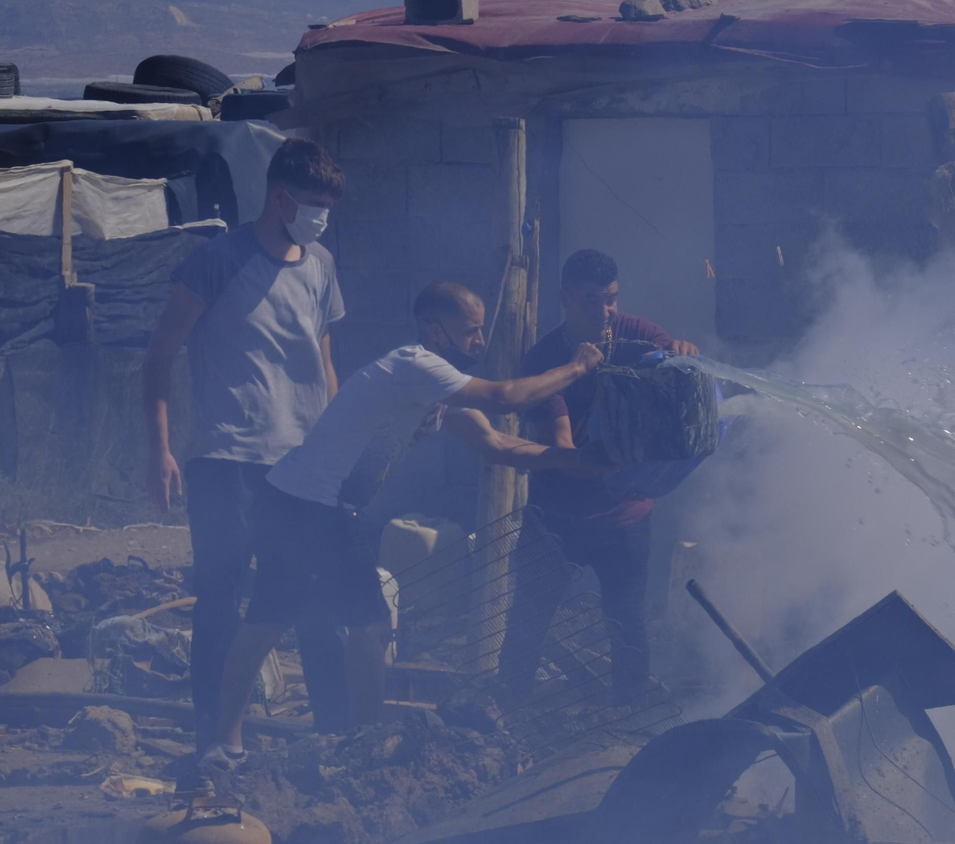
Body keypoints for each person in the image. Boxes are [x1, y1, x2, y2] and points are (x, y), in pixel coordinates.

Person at [200, 281, 606, 768]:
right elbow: (506, 397)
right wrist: (575, 368)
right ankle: (294, 743)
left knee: (347, 621)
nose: (480, 341)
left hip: (317, 505)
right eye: (471, 331)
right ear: (435, 330)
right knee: (290, 621)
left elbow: (497, 446)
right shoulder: (416, 365)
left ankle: (320, 741)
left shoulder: (439, 386)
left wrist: (574, 460)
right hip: (303, 503)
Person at [141, 137, 353, 742]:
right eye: (313, 204)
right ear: (280, 198)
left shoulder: (321, 265)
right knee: (222, 602)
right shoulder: (217, 260)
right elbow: (159, 356)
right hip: (227, 462)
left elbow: (324, 363)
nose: (321, 218)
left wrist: (337, 449)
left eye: (328, 207)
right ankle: (215, 741)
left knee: (317, 601)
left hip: (304, 466)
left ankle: (335, 738)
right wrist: (159, 450)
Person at [500, 248, 698, 699]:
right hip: (555, 516)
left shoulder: (638, 335)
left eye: (611, 299)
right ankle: (506, 712)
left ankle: (628, 715)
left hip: (625, 516)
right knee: (528, 619)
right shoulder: (544, 360)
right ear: (565, 299)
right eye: (592, 300)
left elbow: (675, 372)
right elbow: (564, 448)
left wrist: (683, 357)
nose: (605, 312)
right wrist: (616, 456)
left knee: (627, 623)